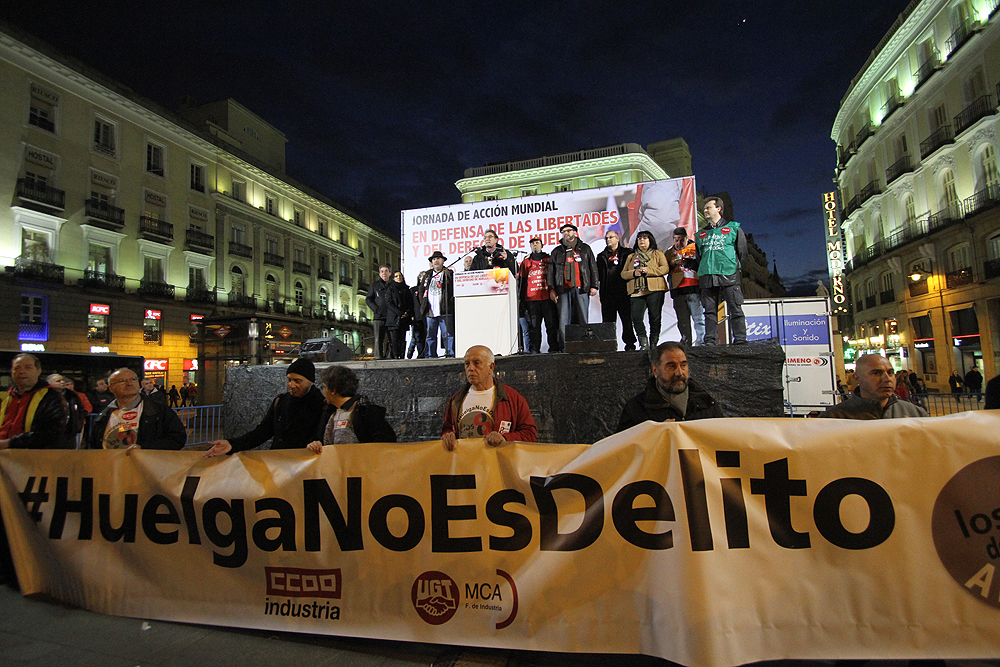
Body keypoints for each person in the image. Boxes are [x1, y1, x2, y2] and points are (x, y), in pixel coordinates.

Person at [203, 358, 326, 457]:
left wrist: (316, 443)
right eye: (289, 380)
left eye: (297, 381)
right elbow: (262, 432)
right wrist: (232, 445)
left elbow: (324, 437)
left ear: (311, 381)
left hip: (305, 465)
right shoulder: (281, 401)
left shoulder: (322, 405)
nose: (291, 385)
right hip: (278, 462)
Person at [441, 345, 537, 451]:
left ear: (491, 367)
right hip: (464, 460)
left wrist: (505, 438)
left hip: (498, 460)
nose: (470, 368)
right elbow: (447, 429)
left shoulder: (512, 398)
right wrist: (448, 436)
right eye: (467, 364)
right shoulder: (456, 399)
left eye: (477, 363)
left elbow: (530, 433)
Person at [617, 342, 723, 431]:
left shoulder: (707, 403)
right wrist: (655, 434)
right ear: (655, 370)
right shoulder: (636, 409)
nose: (679, 373)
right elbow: (624, 447)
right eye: (671, 366)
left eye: (683, 365)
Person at [87, 368, 187, 450]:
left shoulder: (159, 411)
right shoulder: (104, 415)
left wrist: (144, 449)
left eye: (133, 379)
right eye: (122, 381)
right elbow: (94, 445)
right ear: (111, 388)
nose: (129, 383)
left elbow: (177, 438)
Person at [696, 196, 747, 345]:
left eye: (708, 208)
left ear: (718, 208)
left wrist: (733, 267)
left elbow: (742, 252)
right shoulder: (700, 234)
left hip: (728, 275)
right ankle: (710, 341)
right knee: (709, 312)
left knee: (735, 309)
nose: (705, 211)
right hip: (707, 277)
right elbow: (699, 256)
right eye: (704, 208)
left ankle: (740, 340)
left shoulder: (733, 228)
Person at [307, 365, 396, 450]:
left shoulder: (365, 411)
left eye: (323, 387)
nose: (323, 392)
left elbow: (385, 441)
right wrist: (315, 444)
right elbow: (320, 440)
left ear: (333, 390)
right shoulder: (329, 412)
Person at [822, 354, 927, 419]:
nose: (887, 379)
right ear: (857, 378)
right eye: (877, 373)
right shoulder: (834, 418)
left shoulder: (915, 414)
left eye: (890, 373)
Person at [0, 354, 70, 450]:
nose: (21, 371)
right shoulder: (4, 397)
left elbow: (52, 433)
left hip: (33, 455)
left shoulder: (51, 397)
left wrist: (10, 443)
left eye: (28, 367)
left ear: (38, 370)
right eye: (17, 368)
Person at [548, 223, 600, 345]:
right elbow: (551, 273)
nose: (566, 233)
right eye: (563, 231)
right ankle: (565, 347)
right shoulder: (556, 251)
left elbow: (593, 267)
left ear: (575, 232)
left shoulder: (585, 248)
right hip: (562, 290)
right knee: (563, 321)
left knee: (582, 318)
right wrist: (551, 289)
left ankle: (584, 345)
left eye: (569, 230)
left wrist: (594, 285)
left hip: (581, 288)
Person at [621, 230, 669, 351]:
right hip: (636, 291)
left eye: (645, 238)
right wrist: (634, 273)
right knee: (636, 318)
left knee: (655, 318)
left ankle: (653, 344)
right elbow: (623, 274)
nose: (641, 240)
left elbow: (665, 269)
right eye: (639, 238)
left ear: (650, 240)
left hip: (655, 289)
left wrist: (649, 271)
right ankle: (644, 343)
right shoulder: (631, 257)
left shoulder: (658, 253)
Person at [519, 237, 561, 353]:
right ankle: (534, 350)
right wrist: (522, 300)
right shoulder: (526, 262)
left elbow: (555, 276)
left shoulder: (549, 259)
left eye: (537, 243)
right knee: (534, 328)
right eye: (532, 243)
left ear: (542, 245)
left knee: (551, 326)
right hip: (532, 299)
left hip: (547, 298)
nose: (535, 245)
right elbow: (523, 281)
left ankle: (554, 349)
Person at [597, 230, 637, 351]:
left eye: (611, 237)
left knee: (627, 320)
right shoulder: (601, 256)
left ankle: (630, 344)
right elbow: (599, 275)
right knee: (608, 322)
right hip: (608, 293)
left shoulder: (627, 253)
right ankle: (609, 345)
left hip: (624, 292)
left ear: (617, 238)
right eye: (606, 238)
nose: (608, 240)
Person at [666, 226, 705, 347]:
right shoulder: (669, 253)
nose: (679, 243)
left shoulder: (695, 248)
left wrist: (687, 262)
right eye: (676, 240)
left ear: (687, 238)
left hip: (694, 288)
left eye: (682, 240)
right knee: (682, 320)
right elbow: (664, 269)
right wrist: (671, 265)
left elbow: (702, 265)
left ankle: (701, 342)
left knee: (699, 318)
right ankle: (686, 343)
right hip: (678, 290)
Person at [417, 250, 455, 358]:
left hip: (444, 310)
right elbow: (421, 291)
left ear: (443, 261)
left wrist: (449, 303)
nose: (436, 261)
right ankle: (431, 356)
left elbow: (452, 289)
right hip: (430, 311)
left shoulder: (448, 273)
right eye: (434, 259)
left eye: (438, 258)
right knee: (430, 336)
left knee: (447, 335)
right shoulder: (428, 275)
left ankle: (450, 354)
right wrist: (423, 303)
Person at [47, 374, 89, 448]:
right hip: (50, 433)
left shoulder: (72, 395)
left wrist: (78, 424)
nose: (62, 382)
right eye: (58, 381)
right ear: (49, 383)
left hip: (69, 432)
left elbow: (80, 409)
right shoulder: (45, 396)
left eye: (62, 380)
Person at [365, 264, 393, 359]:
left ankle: (390, 356)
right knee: (378, 339)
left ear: (390, 273)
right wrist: (376, 309)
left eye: (386, 271)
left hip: (391, 316)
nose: (384, 273)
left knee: (392, 338)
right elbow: (368, 299)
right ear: (379, 274)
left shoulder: (393, 285)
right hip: (379, 317)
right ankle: (378, 357)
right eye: (382, 271)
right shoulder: (374, 285)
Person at [386, 271, 412, 359]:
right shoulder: (390, 289)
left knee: (402, 339)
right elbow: (389, 303)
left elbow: (410, 302)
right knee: (394, 339)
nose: (399, 277)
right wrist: (400, 313)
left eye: (400, 276)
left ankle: (402, 355)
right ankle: (395, 356)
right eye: (396, 276)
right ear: (393, 278)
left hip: (404, 319)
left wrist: (406, 312)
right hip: (393, 319)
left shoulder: (406, 289)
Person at [407, 271, 428, 359]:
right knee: (416, 337)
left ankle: (424, 354)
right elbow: (410, 303)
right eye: (422, 276)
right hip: (417, 317)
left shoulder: (429, 289)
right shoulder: (413, 290)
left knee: (426, 336)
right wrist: (411, 314)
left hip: (427, 316)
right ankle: (417, 354)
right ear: (419, 278)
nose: (424, 278)